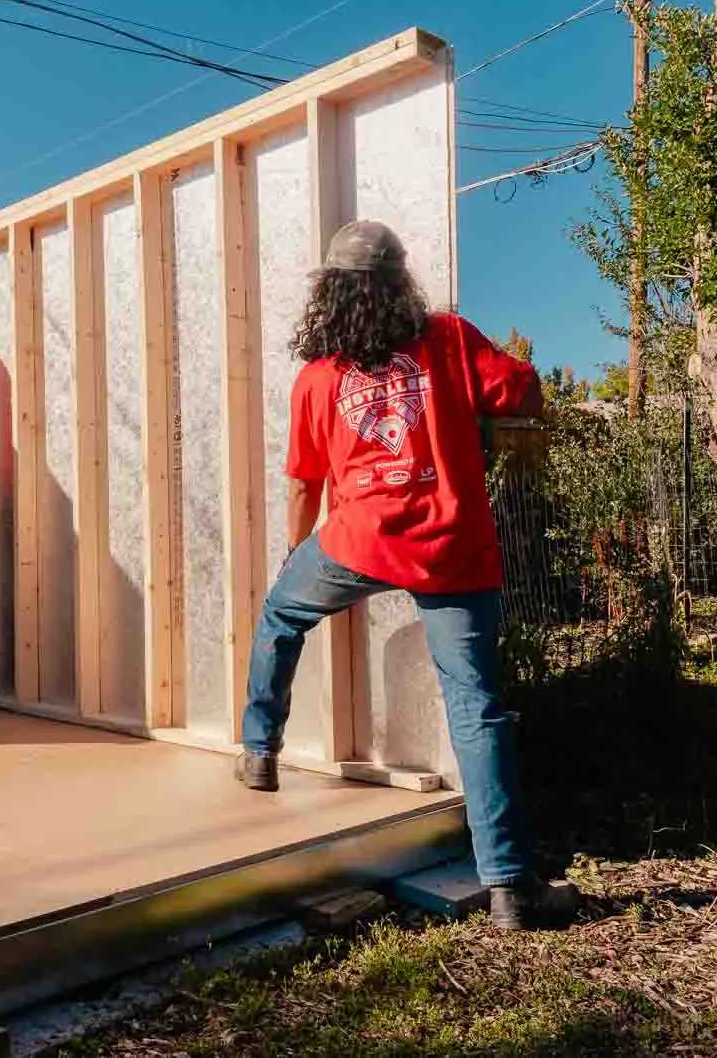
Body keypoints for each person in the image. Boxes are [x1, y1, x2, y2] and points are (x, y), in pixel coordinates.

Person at [233, 220, 575, 931]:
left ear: (328, 293)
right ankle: (511, 886)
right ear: (401, 284)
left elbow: (303, 485)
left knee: (279, 616)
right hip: (451, 548)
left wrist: (297, 555)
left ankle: (259, 750)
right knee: (476, 708)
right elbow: (525, 392)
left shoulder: (318, 377)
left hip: (357, 543)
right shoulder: (449, 338)